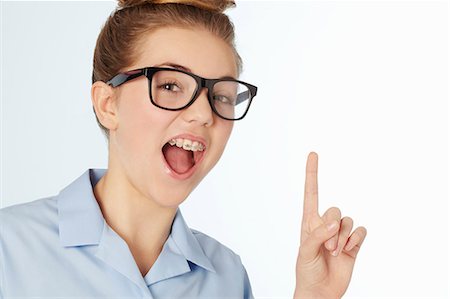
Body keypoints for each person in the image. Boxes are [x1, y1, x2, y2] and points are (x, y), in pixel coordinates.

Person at [0, 0, 367, 298]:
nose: (204, 114)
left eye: (220, 95)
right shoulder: (9, 247)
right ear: (107, 104)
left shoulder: (227, 277)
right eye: (171, 86)